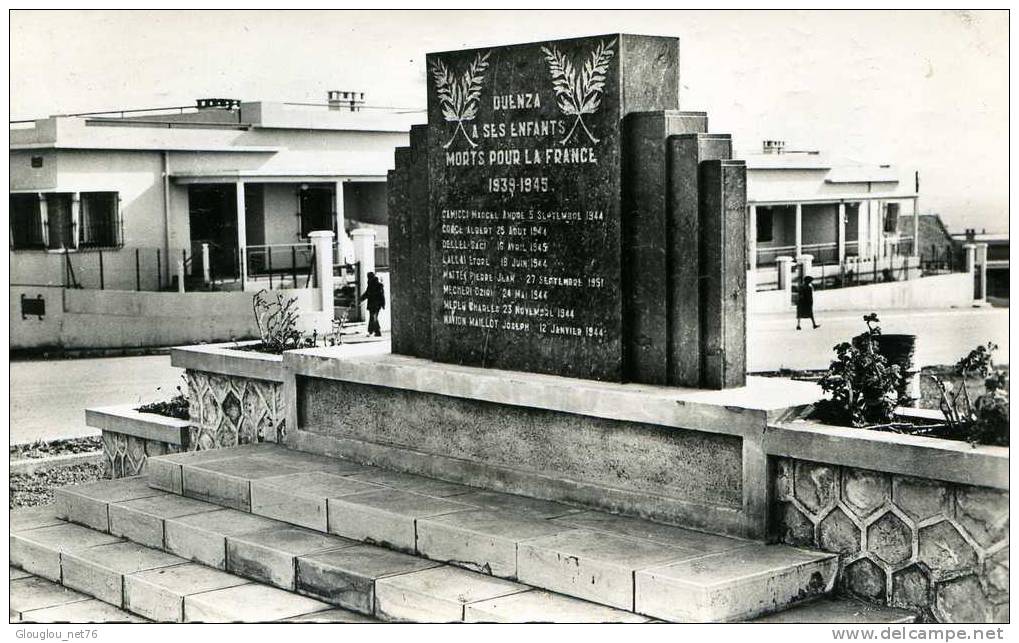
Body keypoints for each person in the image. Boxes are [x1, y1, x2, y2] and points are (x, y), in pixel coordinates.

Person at [359, 272, 386, 337]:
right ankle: (375, 331)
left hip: (374, 304)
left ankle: (375, 331)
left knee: (373, 317)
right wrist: (383, 304)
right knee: (373, 317)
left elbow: (367, 294)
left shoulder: (374, 284)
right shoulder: (375, 284)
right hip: (376, 305)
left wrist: (360, 299)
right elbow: (381, 295)